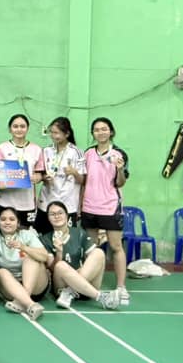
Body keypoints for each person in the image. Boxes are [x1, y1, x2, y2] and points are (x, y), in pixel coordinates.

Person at [81, 117, 130, 305]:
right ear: (93, 133)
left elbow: (120, 183)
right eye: (96, 129)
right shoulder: (87, 154)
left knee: (116, 246)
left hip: (110, 206)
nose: (100, 132)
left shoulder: (119, 154)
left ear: (111, 132)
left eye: (104, 129)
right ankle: (90, 284)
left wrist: (120, 169)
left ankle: (121, 286)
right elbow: (84, 181)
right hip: (89, 206)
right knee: (91, 248)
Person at [41, 201, 120, 310]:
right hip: (61, 286)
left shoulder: (79, 233)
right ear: (48, 218)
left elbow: (95, 259)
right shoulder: (45, 239)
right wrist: (59, 252)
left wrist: (79, 272)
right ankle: (100, 297)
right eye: (52, 214)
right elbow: (53, 269)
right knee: (60, 265)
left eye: (60, 213)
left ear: (67, 216)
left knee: (98, 252)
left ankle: (71, 291)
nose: (57, 216)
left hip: (85, 282)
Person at [0, 207, 50, 320]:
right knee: (1, 272)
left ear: (18, 223)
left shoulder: (27, 235)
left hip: (36, 286)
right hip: (12, 288)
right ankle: (31, 305)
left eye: (12, 219)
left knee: (31, 258)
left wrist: (23, 247)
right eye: (3, 219)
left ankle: (22, 301)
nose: (7, 222)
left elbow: (44, 256)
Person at [34, 117, 84, 234]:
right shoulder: (46, 150)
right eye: (51, 132)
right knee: (43, 237)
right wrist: (44, 178)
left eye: (56, 133)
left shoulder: (77, 152)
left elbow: (83, 181)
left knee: (66, 238)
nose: (53, 135)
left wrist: (74, 172)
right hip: (46, 202)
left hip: (67, 204)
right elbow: (40, 174)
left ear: (67, 134)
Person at [0, 114, 44, 226]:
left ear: (27, 128)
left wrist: (38, 177)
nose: (19, 129)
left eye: (22, 126)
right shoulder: (2, 148)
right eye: (15, 126)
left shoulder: (36, 149)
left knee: (26, 232)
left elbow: (40, 173)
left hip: (27, 202)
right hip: (5, 201)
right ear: (10, 129)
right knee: (5, 232)